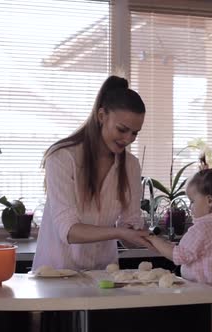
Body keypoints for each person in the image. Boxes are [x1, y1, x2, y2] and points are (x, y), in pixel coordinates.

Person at [32, 75, 151, 272]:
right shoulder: (62, 158)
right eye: (122, 130)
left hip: (103, 277)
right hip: (55, 275)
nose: (128, 139)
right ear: (102, 116)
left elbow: (129, 225)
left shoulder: (130, 165)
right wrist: (120, 232)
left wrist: (141, 235)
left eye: (135, 133)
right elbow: (68, 231)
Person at [146, 168, 212, 332]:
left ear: (209, 201)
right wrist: (156, 244)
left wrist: (152, 238)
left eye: (192, 201)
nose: (190, 207)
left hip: (207, 306)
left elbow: (178, 255)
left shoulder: (202, 228)